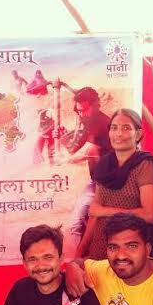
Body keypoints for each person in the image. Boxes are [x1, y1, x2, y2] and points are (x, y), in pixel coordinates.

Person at [77, 108, 153, 259]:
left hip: (128, 254)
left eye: (126, 128)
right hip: (99, 250)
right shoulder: (105, 164)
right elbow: (94, 213)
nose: (119, 134)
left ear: (138, 134)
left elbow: (150, 215)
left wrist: (105, 211)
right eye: (114, 128)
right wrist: (81, 249)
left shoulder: (145, 165)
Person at [65, 86, 112, 247]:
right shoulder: (90, 122)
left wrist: (66, 160)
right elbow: (75, 147)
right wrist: (62, 136)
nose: (81, 114)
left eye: (84, 110)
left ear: (96, 104)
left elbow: (89, 150)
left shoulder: (99, 121)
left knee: (77, 223)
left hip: (105, 185)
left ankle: (75, 259)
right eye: (78, 111)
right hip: (96, 181)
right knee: (82, 223)